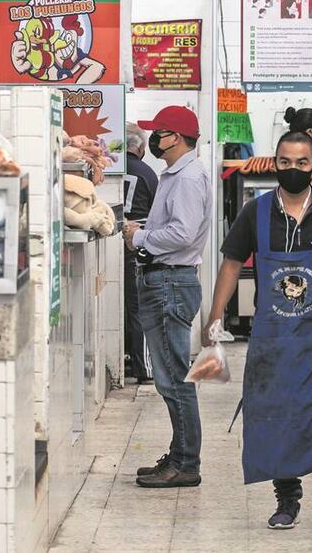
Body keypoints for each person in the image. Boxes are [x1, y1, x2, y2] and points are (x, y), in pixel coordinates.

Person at [204, 130, 312, 541]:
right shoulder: (256, 213)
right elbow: (230, 264)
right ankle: (287, 497)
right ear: (275, 164)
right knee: (276, 416)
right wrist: (213, 318)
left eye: (302, 163)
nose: (293, 170)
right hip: (272, 340)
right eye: (285, 162)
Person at [124, 105, 212, 489]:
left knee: (175, 379)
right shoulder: (176, 174)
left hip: (171, 284)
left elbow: (183, 233)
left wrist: (140, 238)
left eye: (158, 133)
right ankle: (178, 456)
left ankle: (186, 463)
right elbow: (175, 228)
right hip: (166, 280)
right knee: (170, 378)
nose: (153, 139)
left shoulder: (189, 177)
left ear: (175, 137)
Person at [123, 123, 158, 385]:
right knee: (138, 307)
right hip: (137, 245)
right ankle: (142, 367)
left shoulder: (109, 168)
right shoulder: (148, 174)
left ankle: (125, 357)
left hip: (109, 241)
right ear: (141, 147)